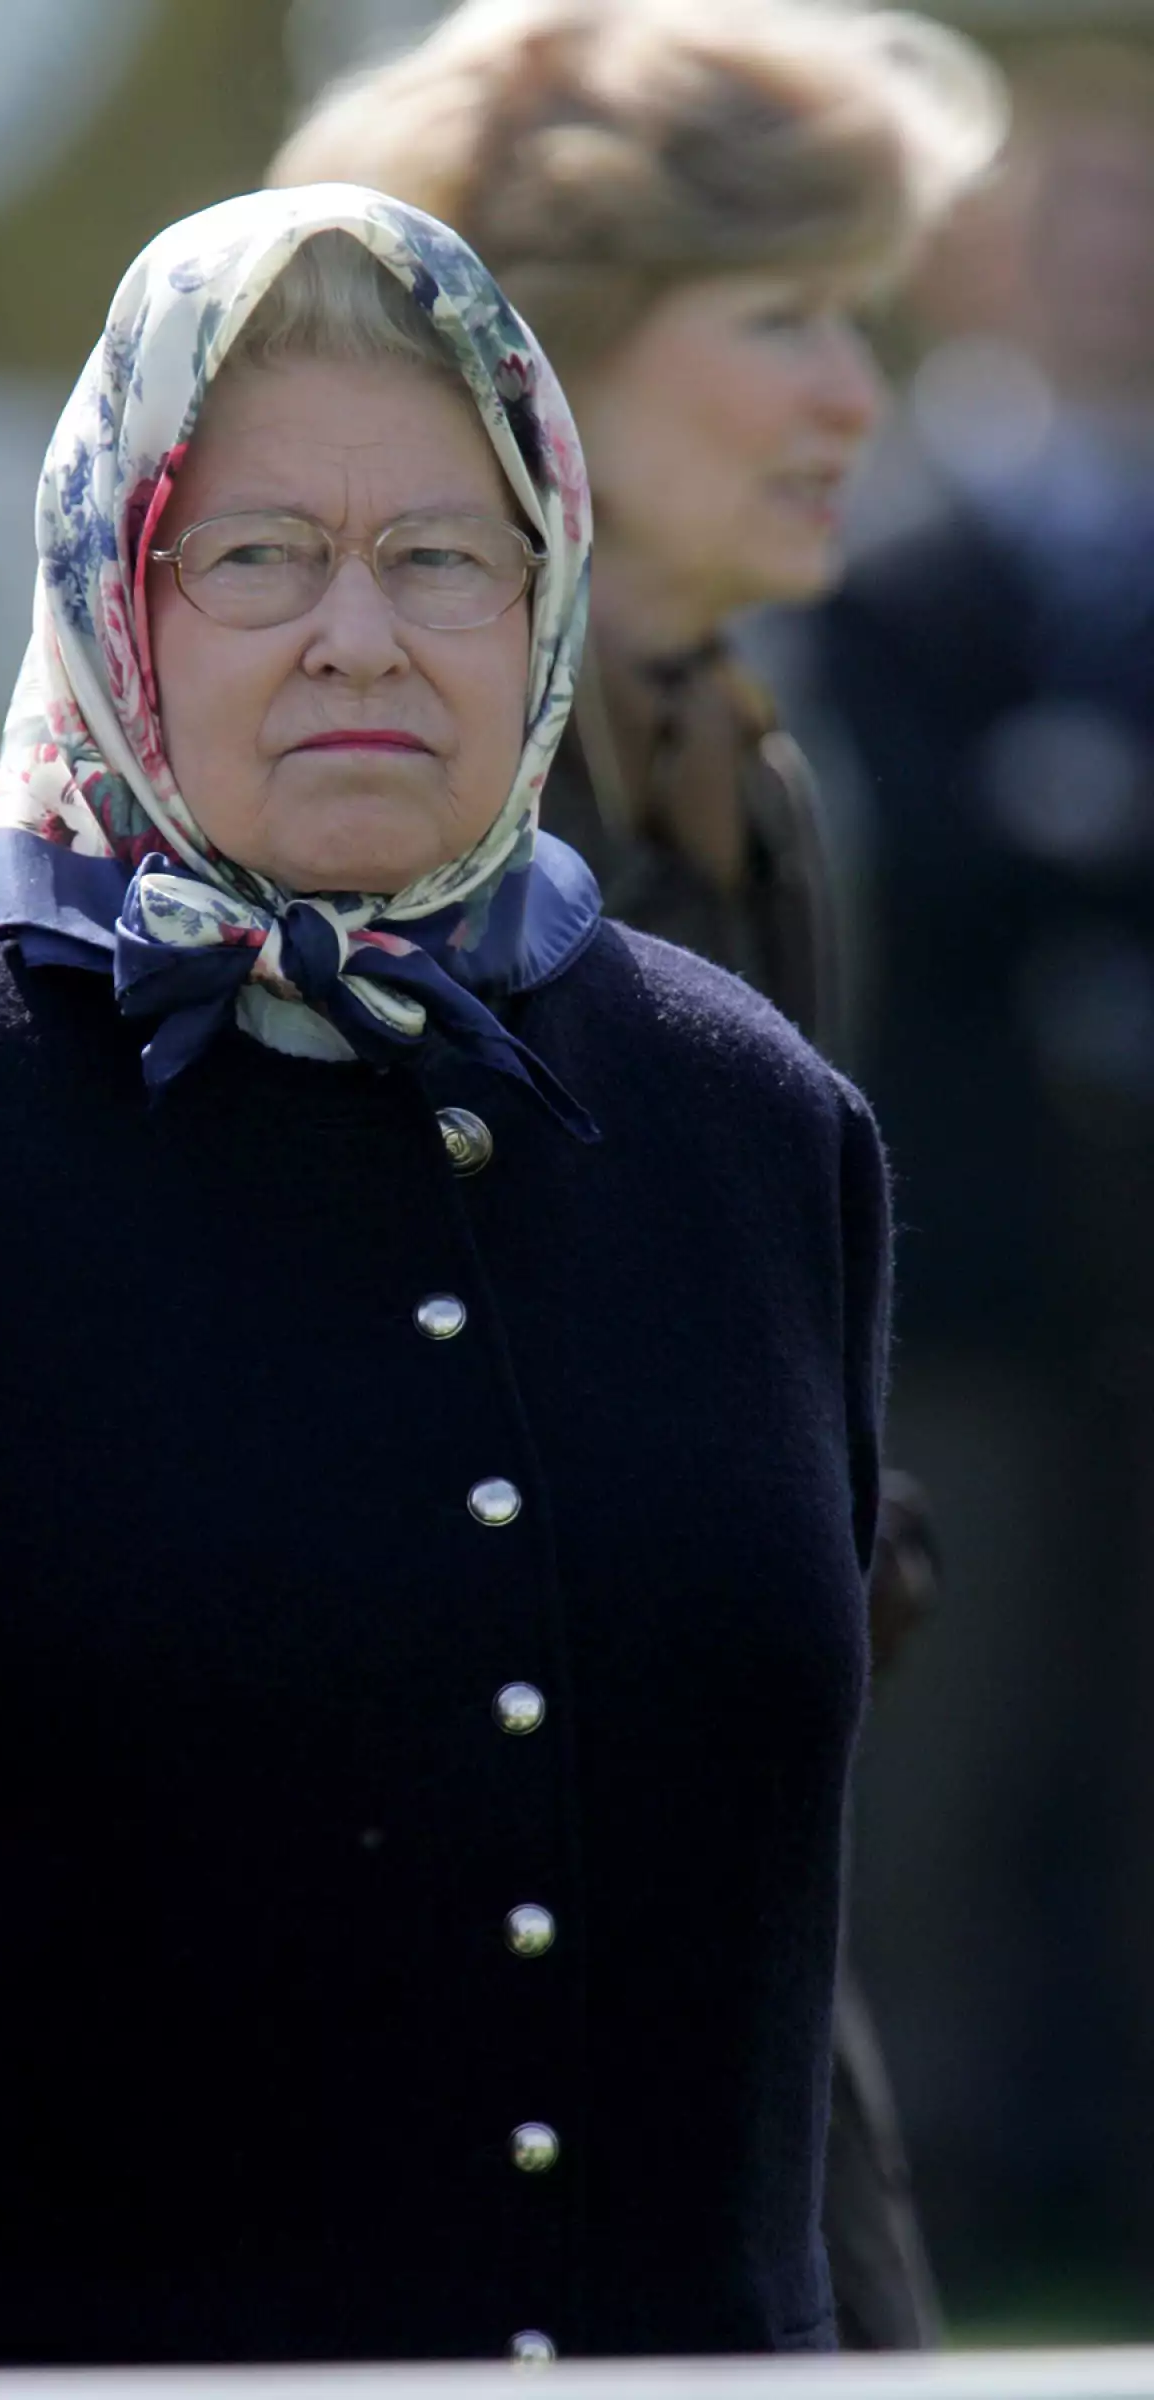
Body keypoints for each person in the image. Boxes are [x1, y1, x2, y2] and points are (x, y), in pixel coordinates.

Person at [0, 184, 888, 2370]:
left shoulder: (747, 1123)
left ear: (544, 592)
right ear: (114, 585)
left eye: (441, 555)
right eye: (256, 555)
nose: (357, 635)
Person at [269, 0, 1004, 2348]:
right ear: (549, 359)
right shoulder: (364, 812)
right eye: (784, 312)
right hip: (429, 1977)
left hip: (714, 1930)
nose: (852, 397)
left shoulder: (741, 766)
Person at [789, 42, 1154, 2277]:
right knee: (947, 1737)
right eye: (1079, 227)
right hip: (993, 1263)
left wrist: (1061, 816)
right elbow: (905, 858)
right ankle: (951, 2191)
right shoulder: (886, 552)